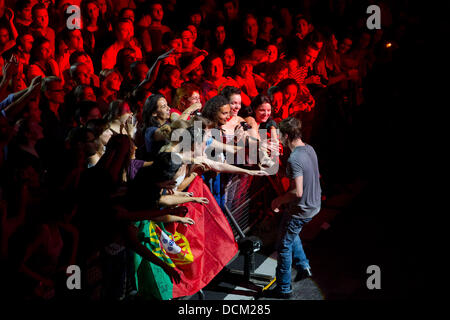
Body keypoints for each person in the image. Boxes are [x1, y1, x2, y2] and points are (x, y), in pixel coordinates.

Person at [267, 117, 321, 299]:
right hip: (314, 204)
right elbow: (305, 175)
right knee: (291, 233)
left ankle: (283, 288)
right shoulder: (309, 149)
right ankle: (303, 265)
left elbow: (296, 191)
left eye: (281, 136)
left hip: (300, 210)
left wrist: (278, 201)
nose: (279, 139)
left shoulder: (294, 158)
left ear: (287, 135)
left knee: (283, 246)